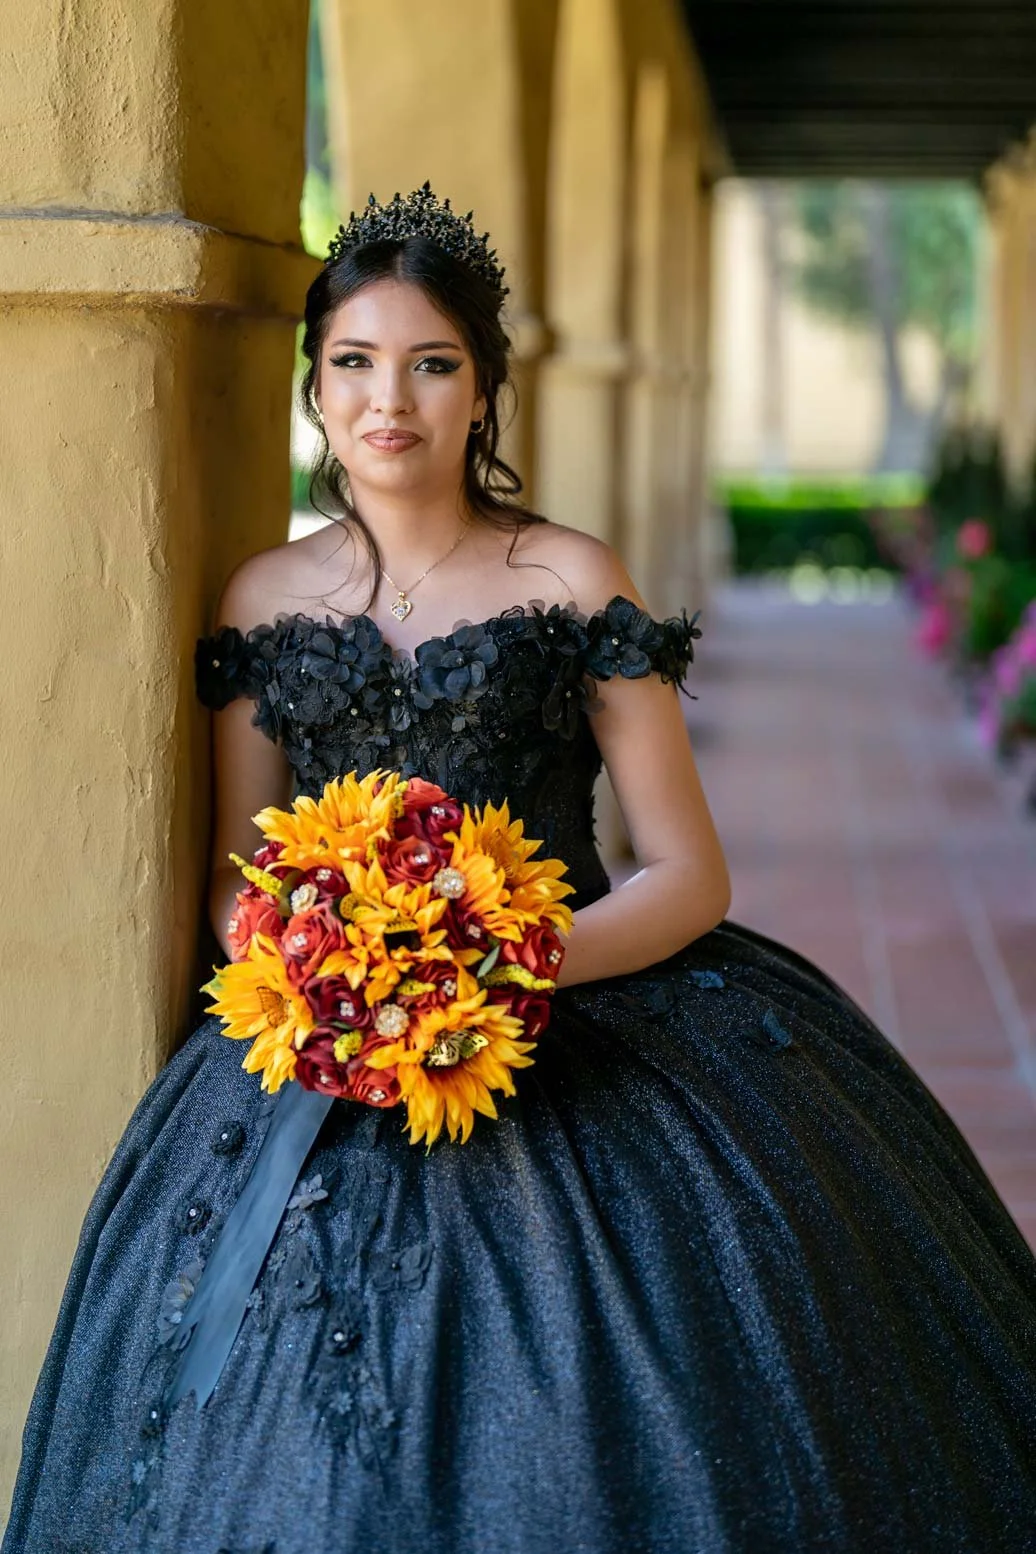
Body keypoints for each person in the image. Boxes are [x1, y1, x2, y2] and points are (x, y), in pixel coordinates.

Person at [5, 185, 1035, 1554]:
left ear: (484, 390)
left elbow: (688, 873)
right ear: (316, 385)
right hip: (324, 1043)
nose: (392, 403)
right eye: (355, 365)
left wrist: (500, 961)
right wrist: (336, 990)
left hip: (586, 1019)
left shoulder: (568, 579)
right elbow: (234, 877)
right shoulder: (262, 596)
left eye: (432, 364)